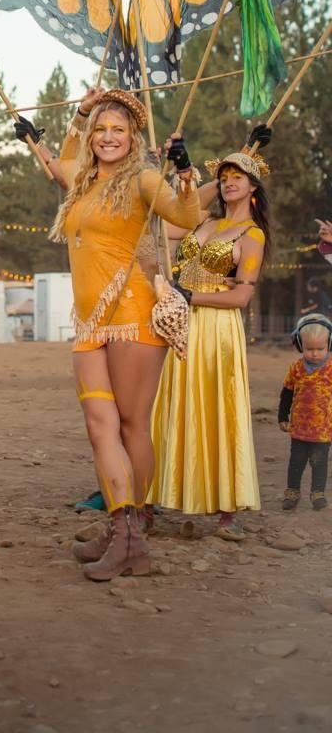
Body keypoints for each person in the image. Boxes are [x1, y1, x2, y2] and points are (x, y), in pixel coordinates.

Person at [15, 87, 200, 581]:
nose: (108, 137)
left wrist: (183, 174)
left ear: (133, 136)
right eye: (101, 129)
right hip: (89, 321)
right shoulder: (84, 182)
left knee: (130, 426)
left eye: (118, 129)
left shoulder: (142, 177)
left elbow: (187, 217)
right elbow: (62, 165)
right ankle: (122, 531)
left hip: (133, 312)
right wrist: (77, 116)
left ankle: (134, 534)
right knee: (100, 426)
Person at [150, 136, 271, 541]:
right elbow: (169, 221)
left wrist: (190, 294)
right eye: (225, 177)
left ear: (254, 188)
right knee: (164, 406)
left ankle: (226, 511)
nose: (229, 182)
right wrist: (220, 166)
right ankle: (148, 498)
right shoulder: (203, 222)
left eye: (239, 178)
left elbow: (241, 295)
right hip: (178, 323)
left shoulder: (252, 236)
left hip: (215, 328)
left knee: (215, 408)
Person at [279, 313, 332, 511]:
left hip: (323, 429)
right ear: (300, 344)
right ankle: (292, 492)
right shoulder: (296, 368)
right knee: (296, 461)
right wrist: (282, 417)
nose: (315, 353)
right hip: (300, 427)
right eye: (310, 349)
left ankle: (318, 493)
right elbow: (286, 393)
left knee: (319, 462)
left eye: (320, 349)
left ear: (329, 345)